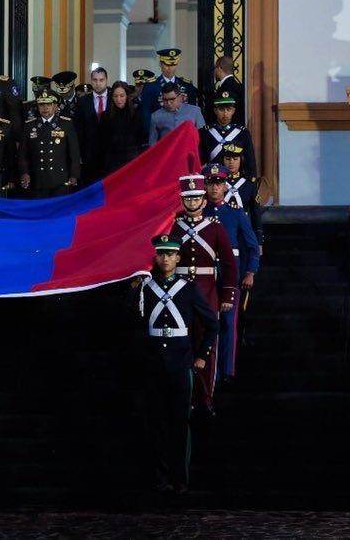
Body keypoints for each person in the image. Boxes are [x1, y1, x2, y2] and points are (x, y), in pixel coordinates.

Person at [127, 234, 218, 495]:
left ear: (178, 257)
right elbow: (128, 315)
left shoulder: (188, 288)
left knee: (180, 422)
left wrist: (201, 355)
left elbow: (212, 323)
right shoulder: (146, 287)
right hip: (154, 362)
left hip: (180, 362)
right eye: (161, 254)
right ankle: (161, 477)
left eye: (170, 254)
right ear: (155, 257)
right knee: (156, 421)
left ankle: (181, 478)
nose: (165, 258)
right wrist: (134, 286)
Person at [168, 174, 237, 417]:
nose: (192, 202)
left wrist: (227, 294)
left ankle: (205, 397)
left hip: (207, 291)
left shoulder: (215, 228)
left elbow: (229, 264)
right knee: (182, 346)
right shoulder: (173, 226)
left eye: (196, 197)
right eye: (188, 198)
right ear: (181, 200)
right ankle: (185, 397)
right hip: (178, 293)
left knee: (206, 346)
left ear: (204, 200)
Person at [202, 163, 259, 384]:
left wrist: (250, 272)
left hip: (229, 275)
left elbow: (252, 246)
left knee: (228, 322)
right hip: (205, 274)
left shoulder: (235, 214)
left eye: (218, 183)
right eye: (210, 183)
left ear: (225, 185)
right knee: (206, 322)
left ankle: (227, 369)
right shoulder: (200, 212)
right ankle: (207, 368)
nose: (214, 188)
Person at [18, 88, 80, 198]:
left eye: (49, 104)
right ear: (37, 106)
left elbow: (74, 153)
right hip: (38, 178)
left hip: (60, 179)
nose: (45, 107)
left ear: (55, 106)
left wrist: (74, 175)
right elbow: (23, 154)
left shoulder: (66, 124)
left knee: (59, 212)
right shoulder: (29, 125)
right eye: (41, 104)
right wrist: (24, 173)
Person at [140, 48, 203, 131]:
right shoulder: (150, 87)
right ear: (160, 64)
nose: (170, 69)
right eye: (167, 65)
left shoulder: (187, 86)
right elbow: (146, 116)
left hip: (183, 133)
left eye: (173, 65)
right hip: (162, 134)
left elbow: (193, 114)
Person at [198, 90, 257, 176]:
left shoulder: (242, 132)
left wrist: (249, 182)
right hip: (213, 179)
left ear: (233, 110)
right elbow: (200, 160)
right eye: (221, 110)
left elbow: (249, 160)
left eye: (228, 109)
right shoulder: (205, 132)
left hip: (236, 179)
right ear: (215, 110)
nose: (225, 113)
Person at [95, 81, 147, 176]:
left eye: (122, 96)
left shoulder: (136, 115)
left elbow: (141, 139)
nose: (119, 99)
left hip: (132, 161)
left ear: (127, 96)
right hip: (111, 163)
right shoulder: (105, 116)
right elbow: (101, 142)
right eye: (115, 96)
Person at [221, 144, 264, 251]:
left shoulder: (249, 184)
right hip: (222, 230)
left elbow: (256, 214)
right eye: (228, 159)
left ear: (241, 160)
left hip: (244, 230)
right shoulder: (216, 184)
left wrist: (259, 241)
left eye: (235, 159)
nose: (231, 162)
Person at [210, 56, 245, 127]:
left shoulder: (226, 88)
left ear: (219, 68)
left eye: (215, 68)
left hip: (228, 130)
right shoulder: (238, 86)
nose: (214, 71)